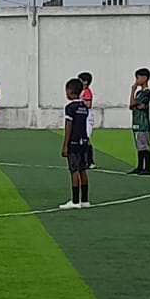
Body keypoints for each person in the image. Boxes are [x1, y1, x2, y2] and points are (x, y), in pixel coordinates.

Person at [61, 78, 94, 209]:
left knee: (74, 170)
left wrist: (65, 145)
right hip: (84, 141)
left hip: (74, 142)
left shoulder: (70, 107)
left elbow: (68, 126)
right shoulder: (84, 107)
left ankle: (75, 201)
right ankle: (85, 200)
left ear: (70, 91)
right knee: (82, 170)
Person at [128, 68, 150, 176]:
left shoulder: (146, 92)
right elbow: (131, 105)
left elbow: (136, 104)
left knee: (144, 146)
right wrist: (133, 93)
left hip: (143, 123)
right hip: (137, 122)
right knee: (139, 145)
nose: (136, 80)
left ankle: (147, 168)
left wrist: (133, 92)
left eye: (138, 78)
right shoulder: (139, 93)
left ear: (145, 78)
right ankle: (139, 167)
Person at [77, 71, 96, 168]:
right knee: (81, 138)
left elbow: (88, 105)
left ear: (85, 82)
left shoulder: (87, 92)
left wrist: (81, 102)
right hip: (82, 116)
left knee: (86, 138)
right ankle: (83, 160)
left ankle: (90, 161)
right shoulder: (81, 91)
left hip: (87, 116)